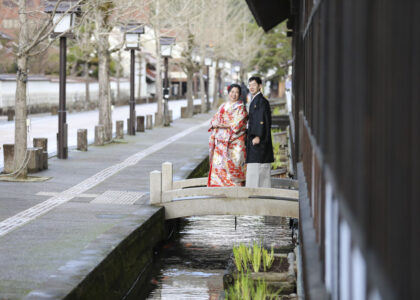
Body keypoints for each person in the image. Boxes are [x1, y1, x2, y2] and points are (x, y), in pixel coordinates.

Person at [208, 84, 248, 187]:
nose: (234, 94)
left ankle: (236, 189)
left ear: (239, 94)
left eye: (236, 92)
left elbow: (239, 123)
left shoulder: (241, 107)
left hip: (235, 142)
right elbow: (215, 118)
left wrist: (224, 125)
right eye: (232, 92)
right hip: (220, 142)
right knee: (220, 165)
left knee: (235, 164)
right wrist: (214, 124)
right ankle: (219, 188)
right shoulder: (223, 105)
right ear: (229, 93)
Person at [245, 76, 274, 188]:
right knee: (260, 169)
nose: (251, 87)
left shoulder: (260, 101)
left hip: (258, 140)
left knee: (257, 168)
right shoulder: (257, 100)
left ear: (260, 86)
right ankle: (261, 194)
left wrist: (258, 135)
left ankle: (257, 195)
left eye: (254, 85)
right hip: (257, 140)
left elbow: (261, 119)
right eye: (250, 85)